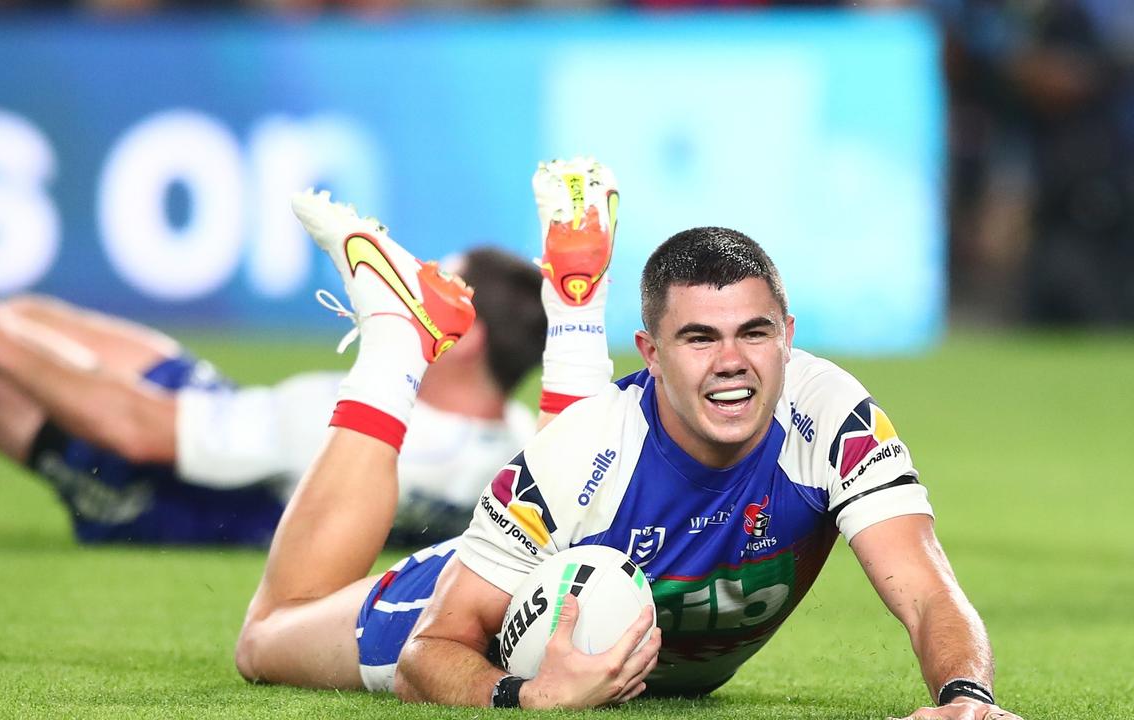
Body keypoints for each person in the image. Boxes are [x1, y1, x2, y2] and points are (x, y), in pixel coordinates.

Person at [235, 158, 1024, 720]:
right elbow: (430, 650)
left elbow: (927, 592)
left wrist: (967, 699)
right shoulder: (581, 448)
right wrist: (523, 697)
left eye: (754, 333)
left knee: (591, 475)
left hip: (580, 529)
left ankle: (577, 305)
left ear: (788, 335)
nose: (733, 364)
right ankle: (396, 339)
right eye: (699, 339)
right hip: (498, 599)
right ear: (648, 354)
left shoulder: (830, 418)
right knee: (267, 638)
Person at [0, 245, 545, 546]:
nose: (408, 289)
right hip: (232, 437)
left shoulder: (341, 423)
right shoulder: (519, 448)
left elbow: (137, 430)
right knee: (19, 319)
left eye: (437, 293)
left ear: (470, 338)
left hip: (162, 487)